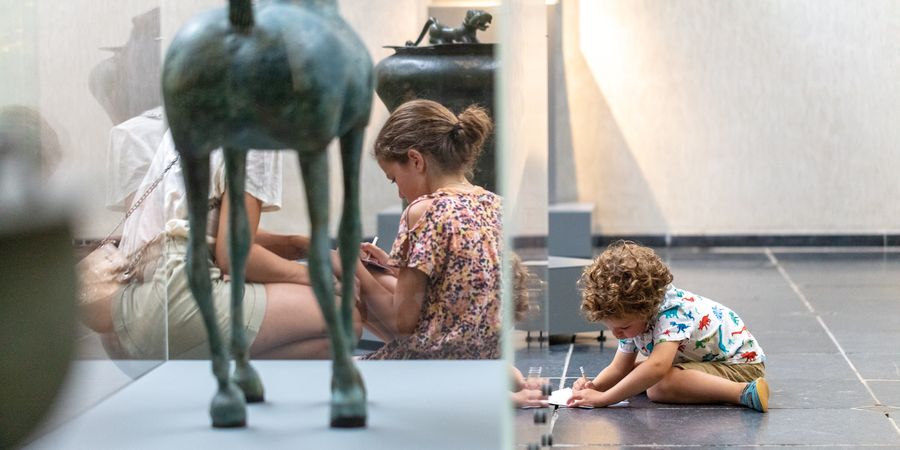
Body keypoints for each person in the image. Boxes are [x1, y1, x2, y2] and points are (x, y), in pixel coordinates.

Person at [111, 130, 359, 359]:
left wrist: (299, 246)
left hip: (134, 309)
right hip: (181, 293)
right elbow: (232, 256)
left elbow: (202, 229)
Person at [353, 99, 502, 359]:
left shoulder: (423, 211)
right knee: (377, 276)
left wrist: (350, 267)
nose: (399, 191)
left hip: (437, 361)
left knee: (352, 279)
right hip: (485, 358)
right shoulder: (496, 204)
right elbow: (456, 286)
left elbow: (403, 323)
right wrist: (392, 265)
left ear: (415, 160)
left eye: (394, 179)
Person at [569, 241, 769, 412]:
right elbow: (619, 368)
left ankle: (744, 392)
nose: (616, 334)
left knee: (659, 386)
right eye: (611, 328)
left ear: (646, 310)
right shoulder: (630, 314)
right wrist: (594, 387)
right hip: (706, 360)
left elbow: (657, 367)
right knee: (637, 376)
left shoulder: (673, 311)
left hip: (740, 366)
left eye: (623, 328)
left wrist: (604, 399)